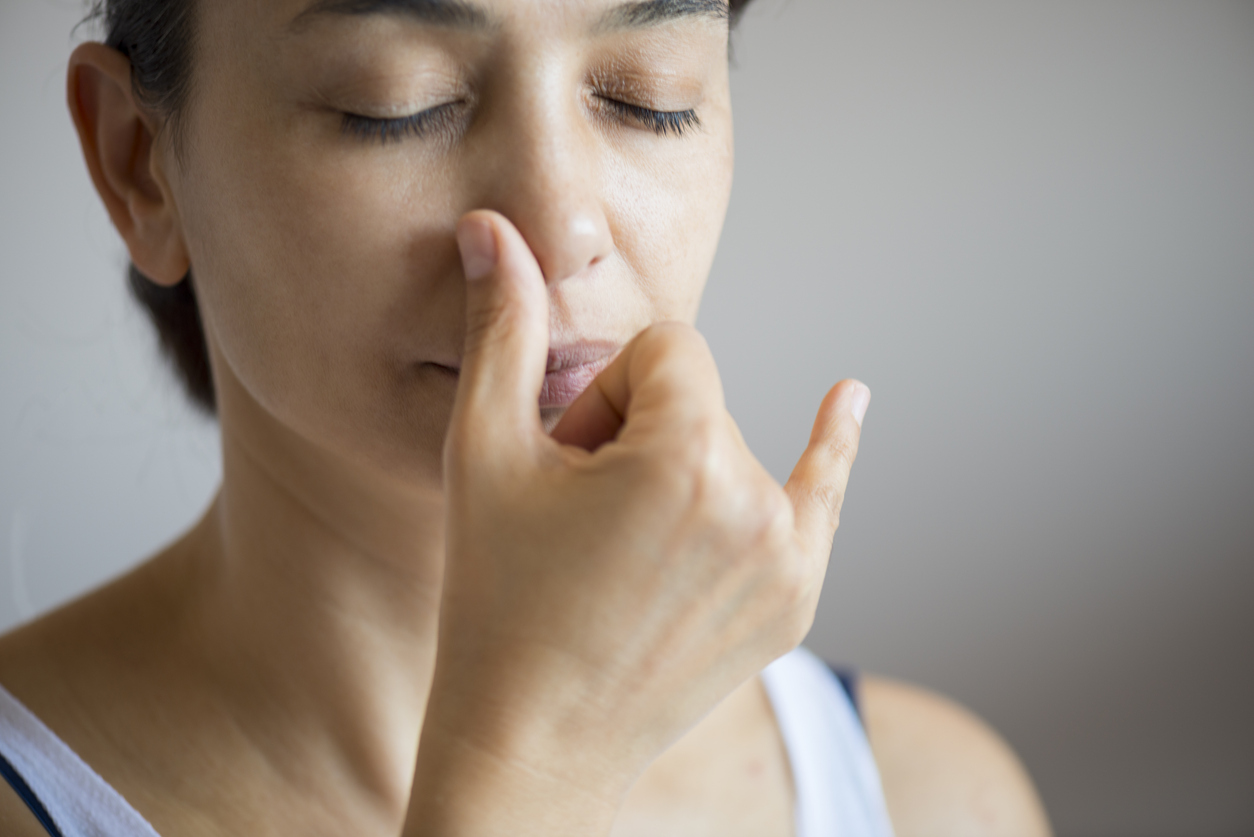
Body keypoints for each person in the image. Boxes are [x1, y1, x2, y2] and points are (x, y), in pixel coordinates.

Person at [0, 0, 1052, 834]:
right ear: (140, 164)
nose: (560, 223)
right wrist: (535, 774)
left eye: (651, 97)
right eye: (396, 103)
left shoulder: (932, 801)